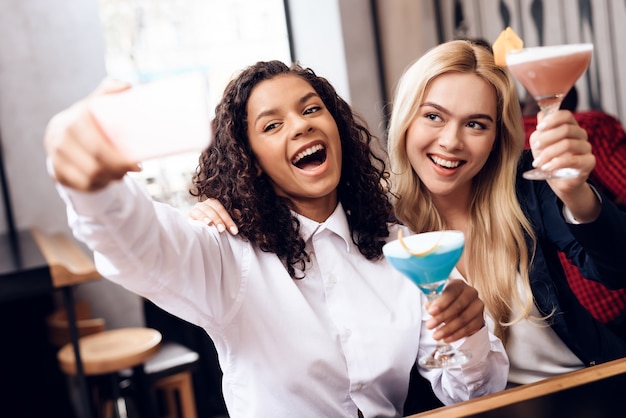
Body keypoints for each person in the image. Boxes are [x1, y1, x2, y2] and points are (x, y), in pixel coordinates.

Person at [44, 61, 508, 417]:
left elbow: (471, 393)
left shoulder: (399, 248)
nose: (301, 125)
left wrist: (469, 336)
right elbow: (139, 244)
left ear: (338, 129)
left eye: (311, 109)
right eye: (271, 125)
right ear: (251, 160)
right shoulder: (227, 254)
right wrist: (93, 187)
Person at [386, 39, 626, 386]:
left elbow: (617, 266)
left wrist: (576, 193)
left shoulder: (522, 187)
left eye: (476, 124)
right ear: (406, 118)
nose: (451, 141)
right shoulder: (380, 224)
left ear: (497, 137)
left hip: (588, 385)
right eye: (434, 116)